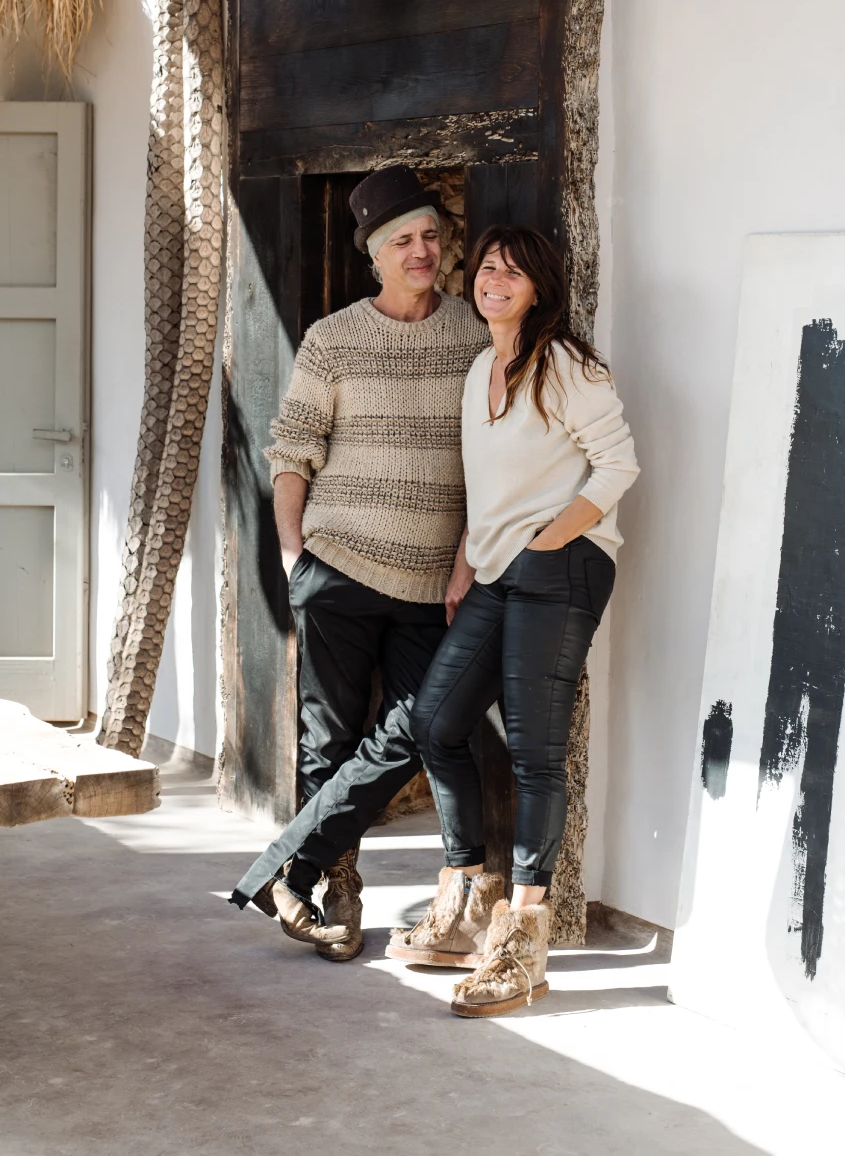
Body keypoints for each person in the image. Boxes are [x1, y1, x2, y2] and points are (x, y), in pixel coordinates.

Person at [228, 164, 488, 962]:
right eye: (402, 240)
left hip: (431, 583)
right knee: (329, 741)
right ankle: (338, 888)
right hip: (338, 568)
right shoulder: (333, 339)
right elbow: (292, 452)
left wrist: (466, 562)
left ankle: (289, 868)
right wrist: (292, 558)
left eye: (430, 236)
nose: (421, 252)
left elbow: (492, 459)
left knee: (420, 728)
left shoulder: (475, 336)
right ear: (373, 254)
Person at [386, 224, 639, 1016]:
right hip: (498, 569)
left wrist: (550, 538)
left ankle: (523, 944)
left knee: (535, 753)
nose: (495, 280)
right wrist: (469, 560)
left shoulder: (563, 364)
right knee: (435, 722)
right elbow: (486, 482)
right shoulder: (480, 370)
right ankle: (466, 898)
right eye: (489, 267)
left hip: (562, 566)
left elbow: (619, 464)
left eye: (514, 272)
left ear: (538, 289)